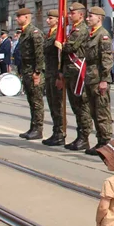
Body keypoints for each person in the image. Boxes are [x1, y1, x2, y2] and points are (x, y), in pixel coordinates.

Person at [84, 6, 114, 152]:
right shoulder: (91, 35)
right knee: (94, 112)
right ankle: (100, 141)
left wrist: (104, 80)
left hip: (99, 79)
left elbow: (107, 59)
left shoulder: (103, 35)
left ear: (99, 18)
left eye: (91, 16)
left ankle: (106, 143)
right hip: (90, 77)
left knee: (102, 112)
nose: (87, 18)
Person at [63, 3, 93, 151]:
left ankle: (84, 137)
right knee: (75, 106)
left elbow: (70, 47)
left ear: (81, 15)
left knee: (82, 105)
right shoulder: (72, 30)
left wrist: (61, 43)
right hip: (70, 71)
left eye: (72, 13)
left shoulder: (81, 30)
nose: (69, 15)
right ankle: (79, 135)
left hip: (78, 70)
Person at [15, 7, 46, 140]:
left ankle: (38, 129)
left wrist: (37, 72)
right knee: (31, 100)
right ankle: (33, 127)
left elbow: (39, 55)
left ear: (26, 17)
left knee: (37, 101)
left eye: (19, 17)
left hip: (33, 71)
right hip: (26, 70)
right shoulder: (24, 32)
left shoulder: (34, 33)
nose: (17, 19)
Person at [42, 9, 67, 146]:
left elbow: (61, 56)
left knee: (58, 105)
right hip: (49, 73)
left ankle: (60, 133)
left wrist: (60, 75)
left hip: (56, 74)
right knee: (52, 104)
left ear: (58, 20)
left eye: (50, 18)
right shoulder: (50, 34)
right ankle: (56, 131)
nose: (47, 20)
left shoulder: (59, 35)